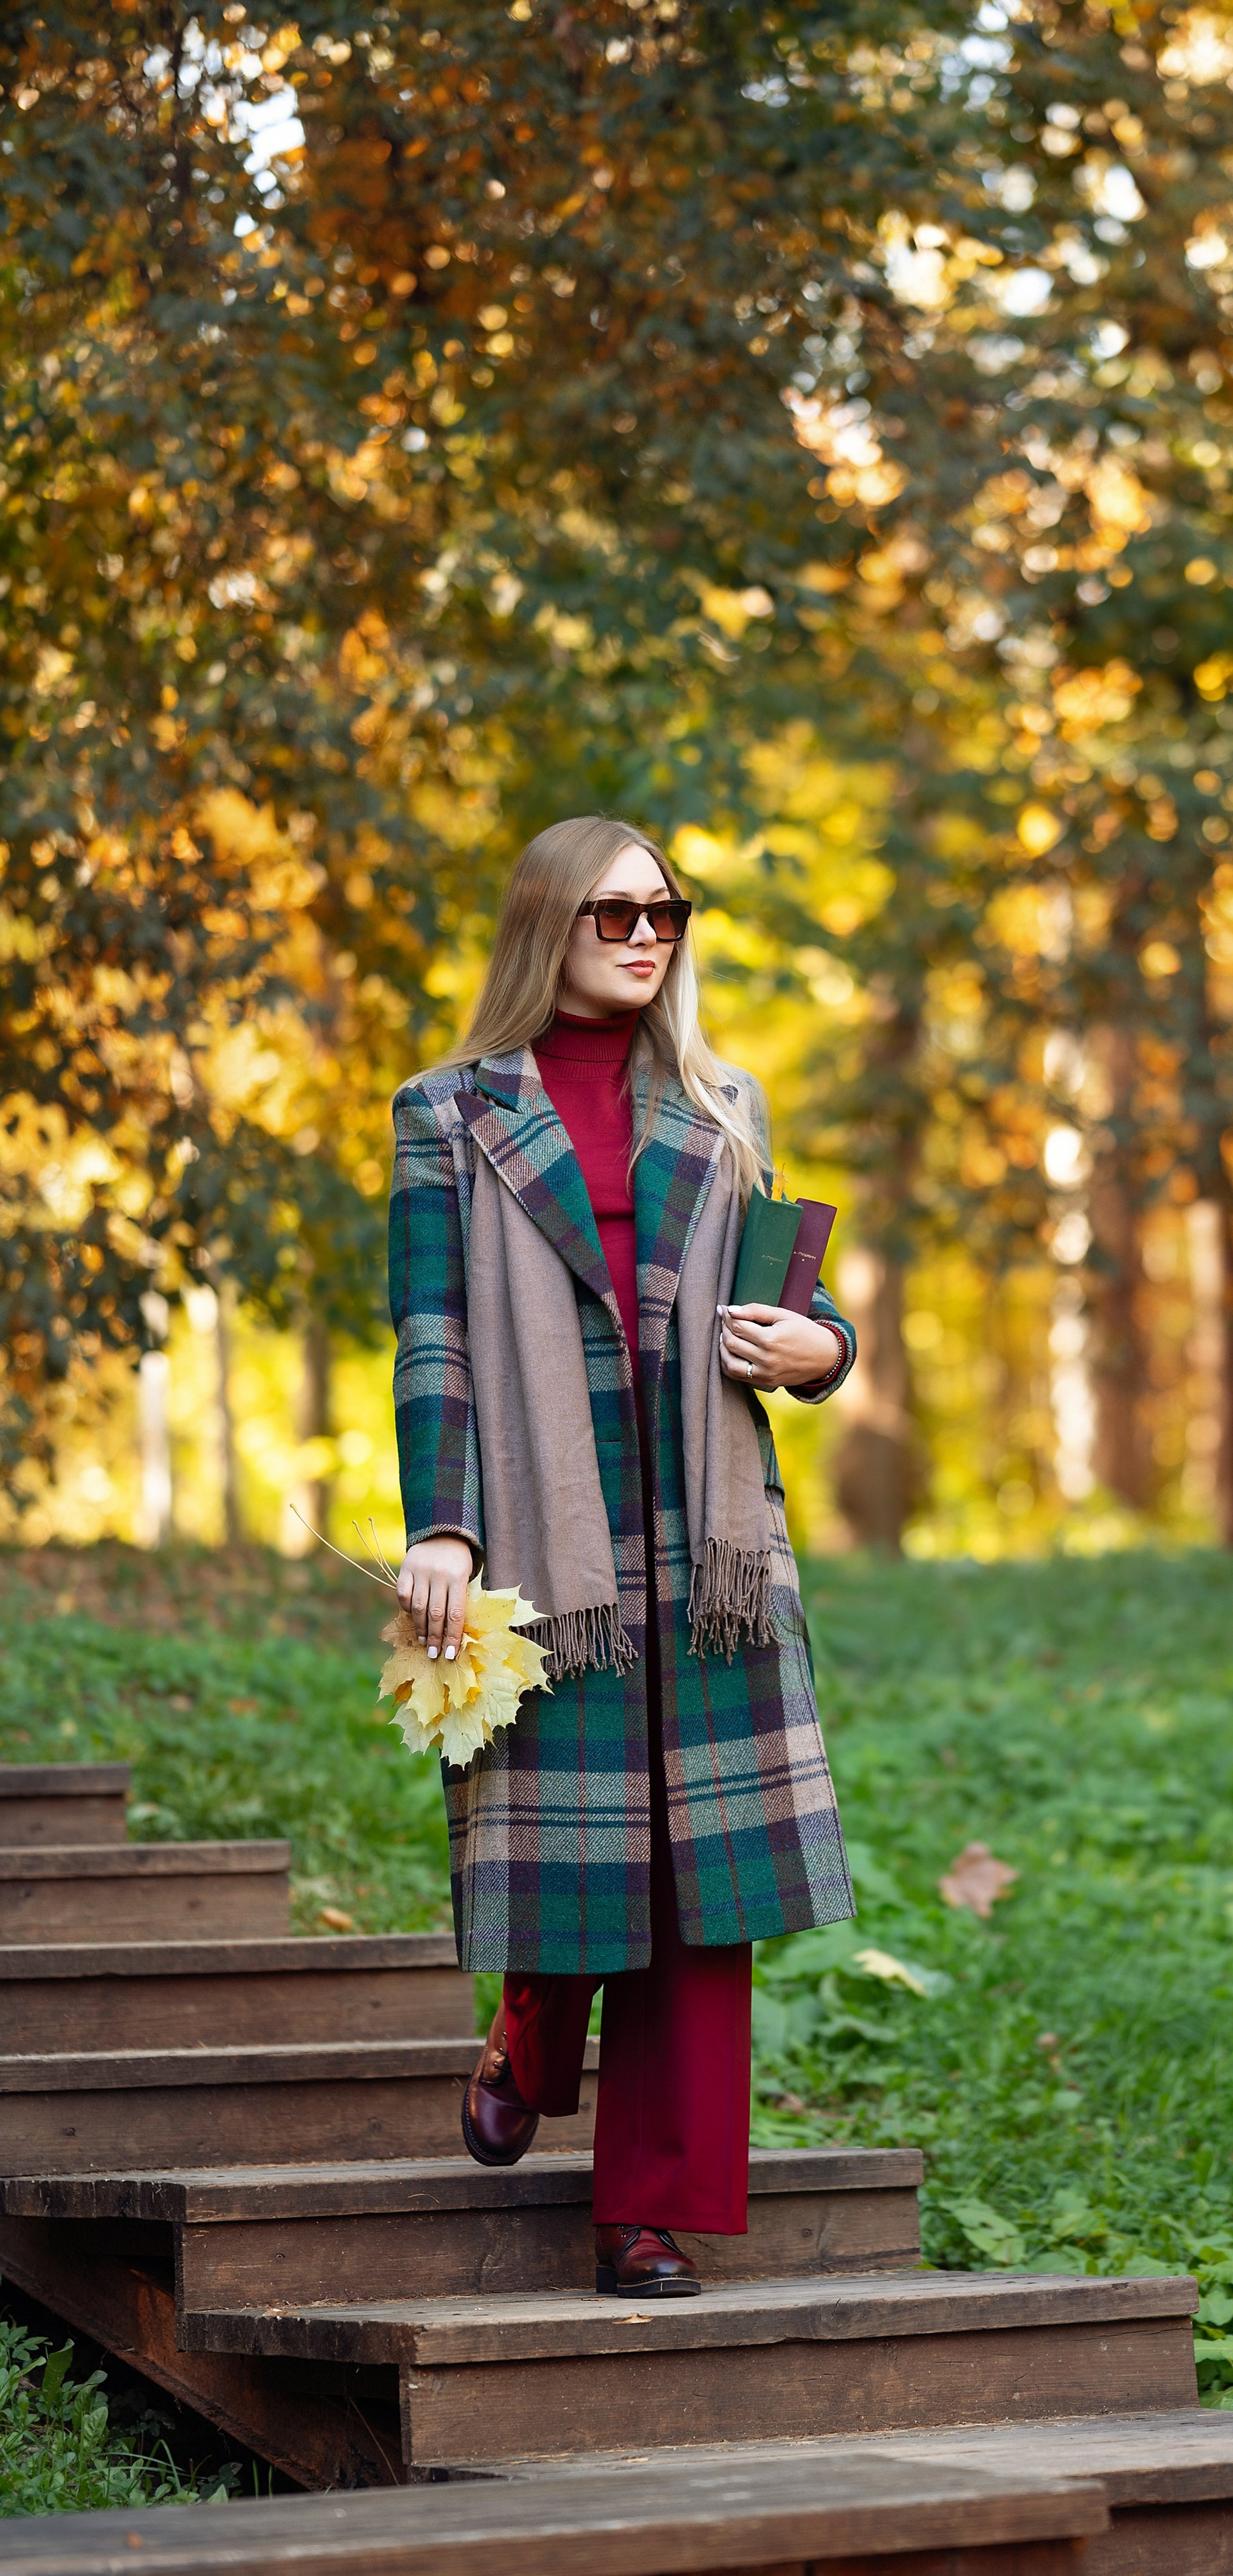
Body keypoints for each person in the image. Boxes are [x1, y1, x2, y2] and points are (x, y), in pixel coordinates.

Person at [387, 814, 856, 2300]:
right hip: (543, 1530)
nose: (648, 935)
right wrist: (442, 1522)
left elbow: (802, 1295)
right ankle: (532, 2024)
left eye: (667, 911)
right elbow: (433, 1330)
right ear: (549, 926)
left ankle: (644, 2211)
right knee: (579, 1842)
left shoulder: (721, 1099)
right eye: (614, 914)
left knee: (700, 1882)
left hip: (710, 1529)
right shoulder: (449, 1111)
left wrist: (822, 1348)